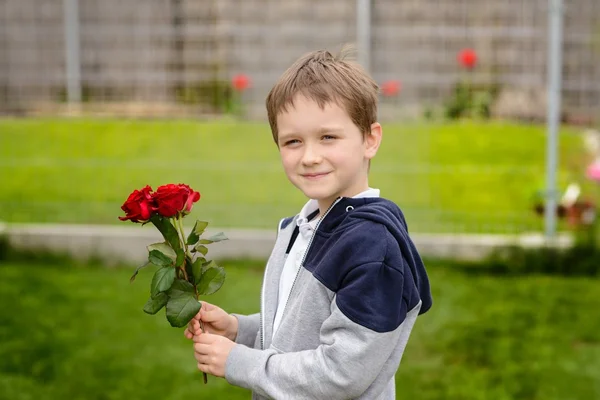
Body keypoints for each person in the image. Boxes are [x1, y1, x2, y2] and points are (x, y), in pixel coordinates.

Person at [184, 47, 432, 400]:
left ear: (370, 139)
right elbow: (300, 330)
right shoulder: (303, 226)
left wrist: (240, 362)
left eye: (328, 137)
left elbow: (342, 374)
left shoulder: (373, 248)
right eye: (293, 141)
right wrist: (240, 331)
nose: (310, 157)